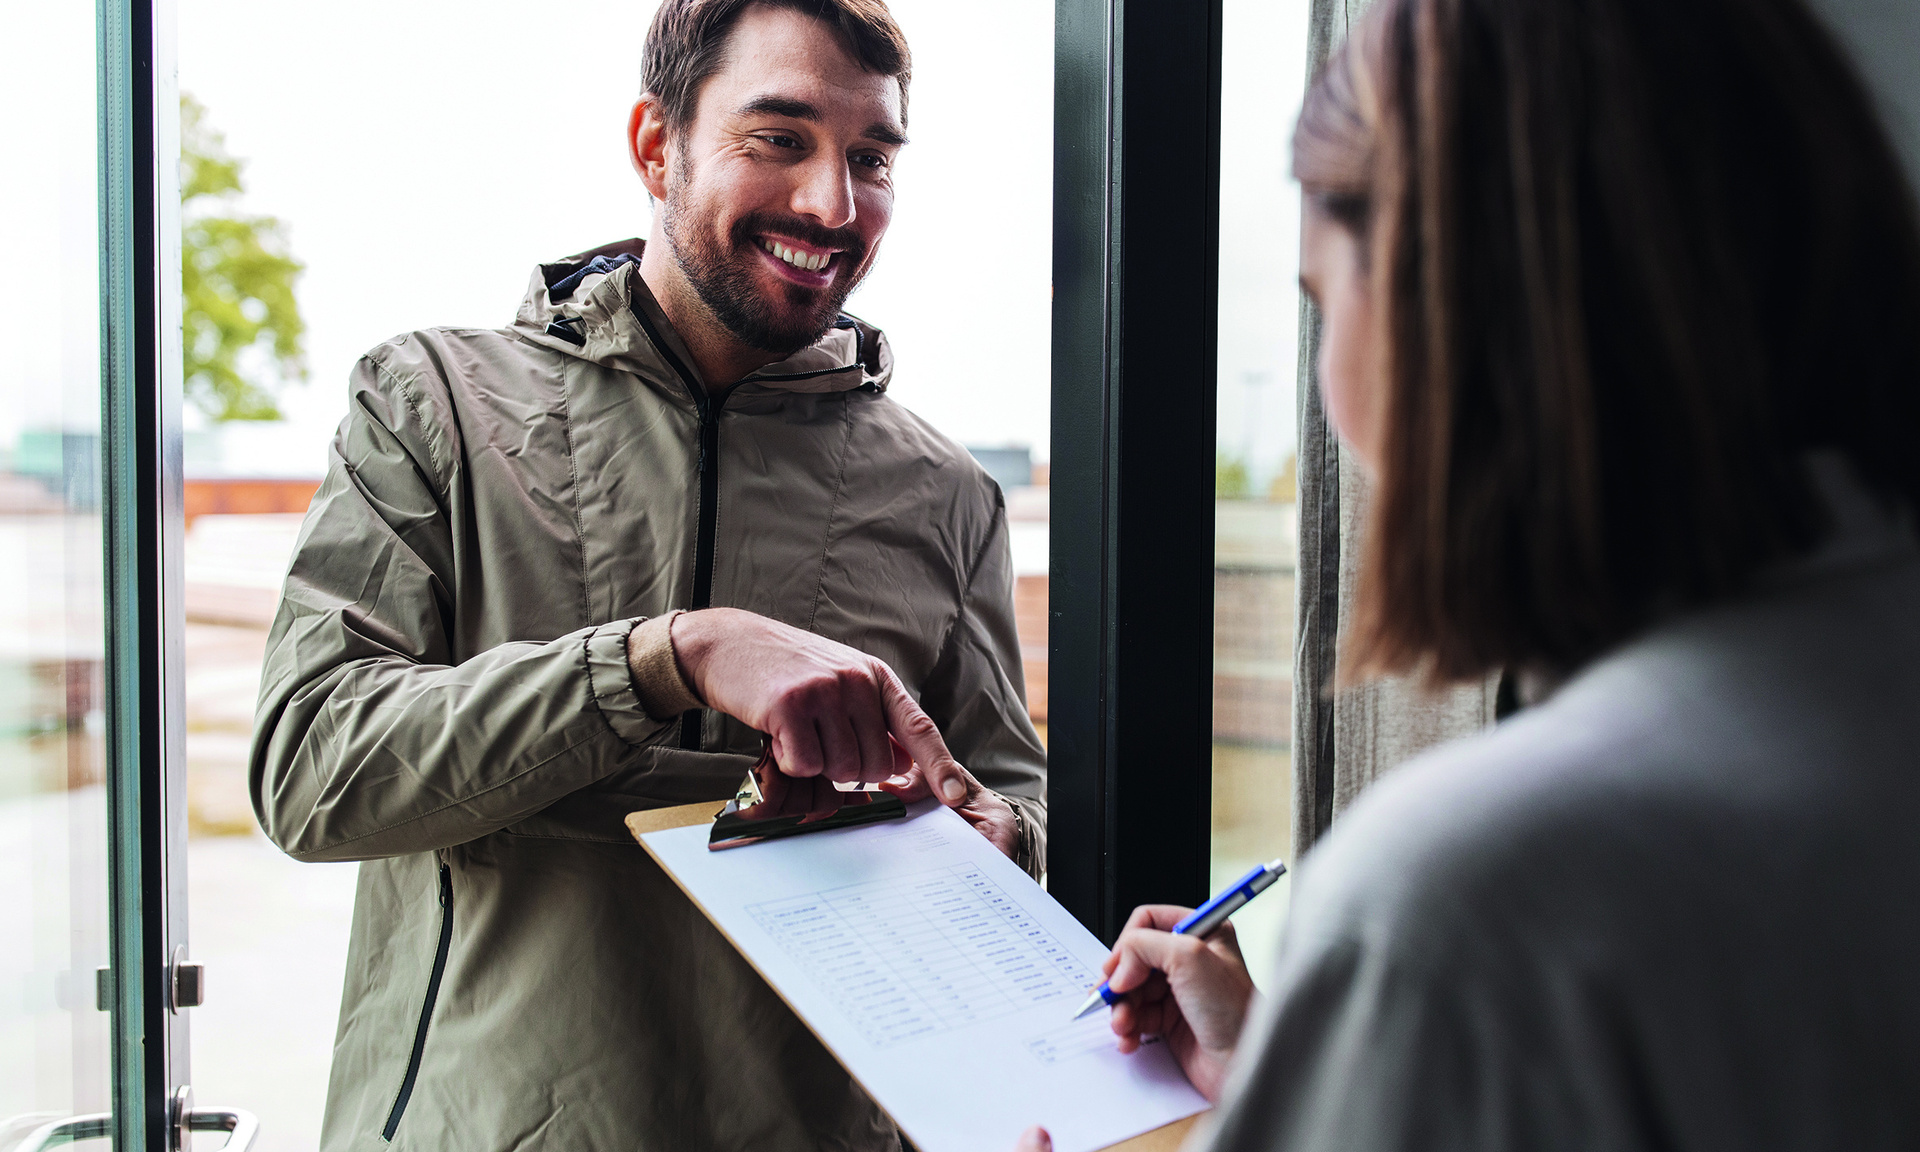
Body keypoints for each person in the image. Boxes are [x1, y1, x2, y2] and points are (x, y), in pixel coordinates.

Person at [1020, 0, 1920, 1147]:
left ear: (1436, 314)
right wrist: (1299, 1076)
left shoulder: (1470, 905)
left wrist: (1390, 1024)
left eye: (1321, 298)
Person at [249, 2, 1047, 1149]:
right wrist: (672, 656)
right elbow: (309, 770)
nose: (833, 205)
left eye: (871, 158)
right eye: (779, 138)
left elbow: (1016, 803)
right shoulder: (431, 403)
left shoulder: (947, 492)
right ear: (654, 145)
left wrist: (992, 841)